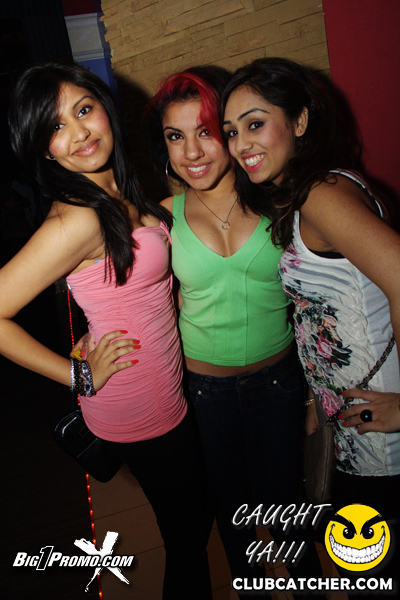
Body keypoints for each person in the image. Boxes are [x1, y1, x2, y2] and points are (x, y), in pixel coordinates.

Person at [2, 62, 212, 600]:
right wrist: (78, 375)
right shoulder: (77, 219)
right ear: (43, 149)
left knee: (189, 517)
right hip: (137, 405)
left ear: (105, 109)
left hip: (165, 384)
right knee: (187, 536)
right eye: (56, 126)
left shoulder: (118, 192)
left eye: (84, 109)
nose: (79, 132)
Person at [146, 66, 323, 597]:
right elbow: (142, 300)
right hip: (204, 393)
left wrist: (313, 395)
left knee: (287, 509)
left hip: (279, 382)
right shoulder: (162, 218)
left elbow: (315, 303)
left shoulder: (279, 199)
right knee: (234, 513)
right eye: (175, 136)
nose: (191, 152)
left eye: (205, 131)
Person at [222, 57, 400, 529]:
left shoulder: (323, 195)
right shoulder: (301, 196)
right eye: (231, 132)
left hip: (382, 435)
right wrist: (313, 400)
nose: (240, 145)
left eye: (255, 124)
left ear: (300, 121)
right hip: (350, 420)